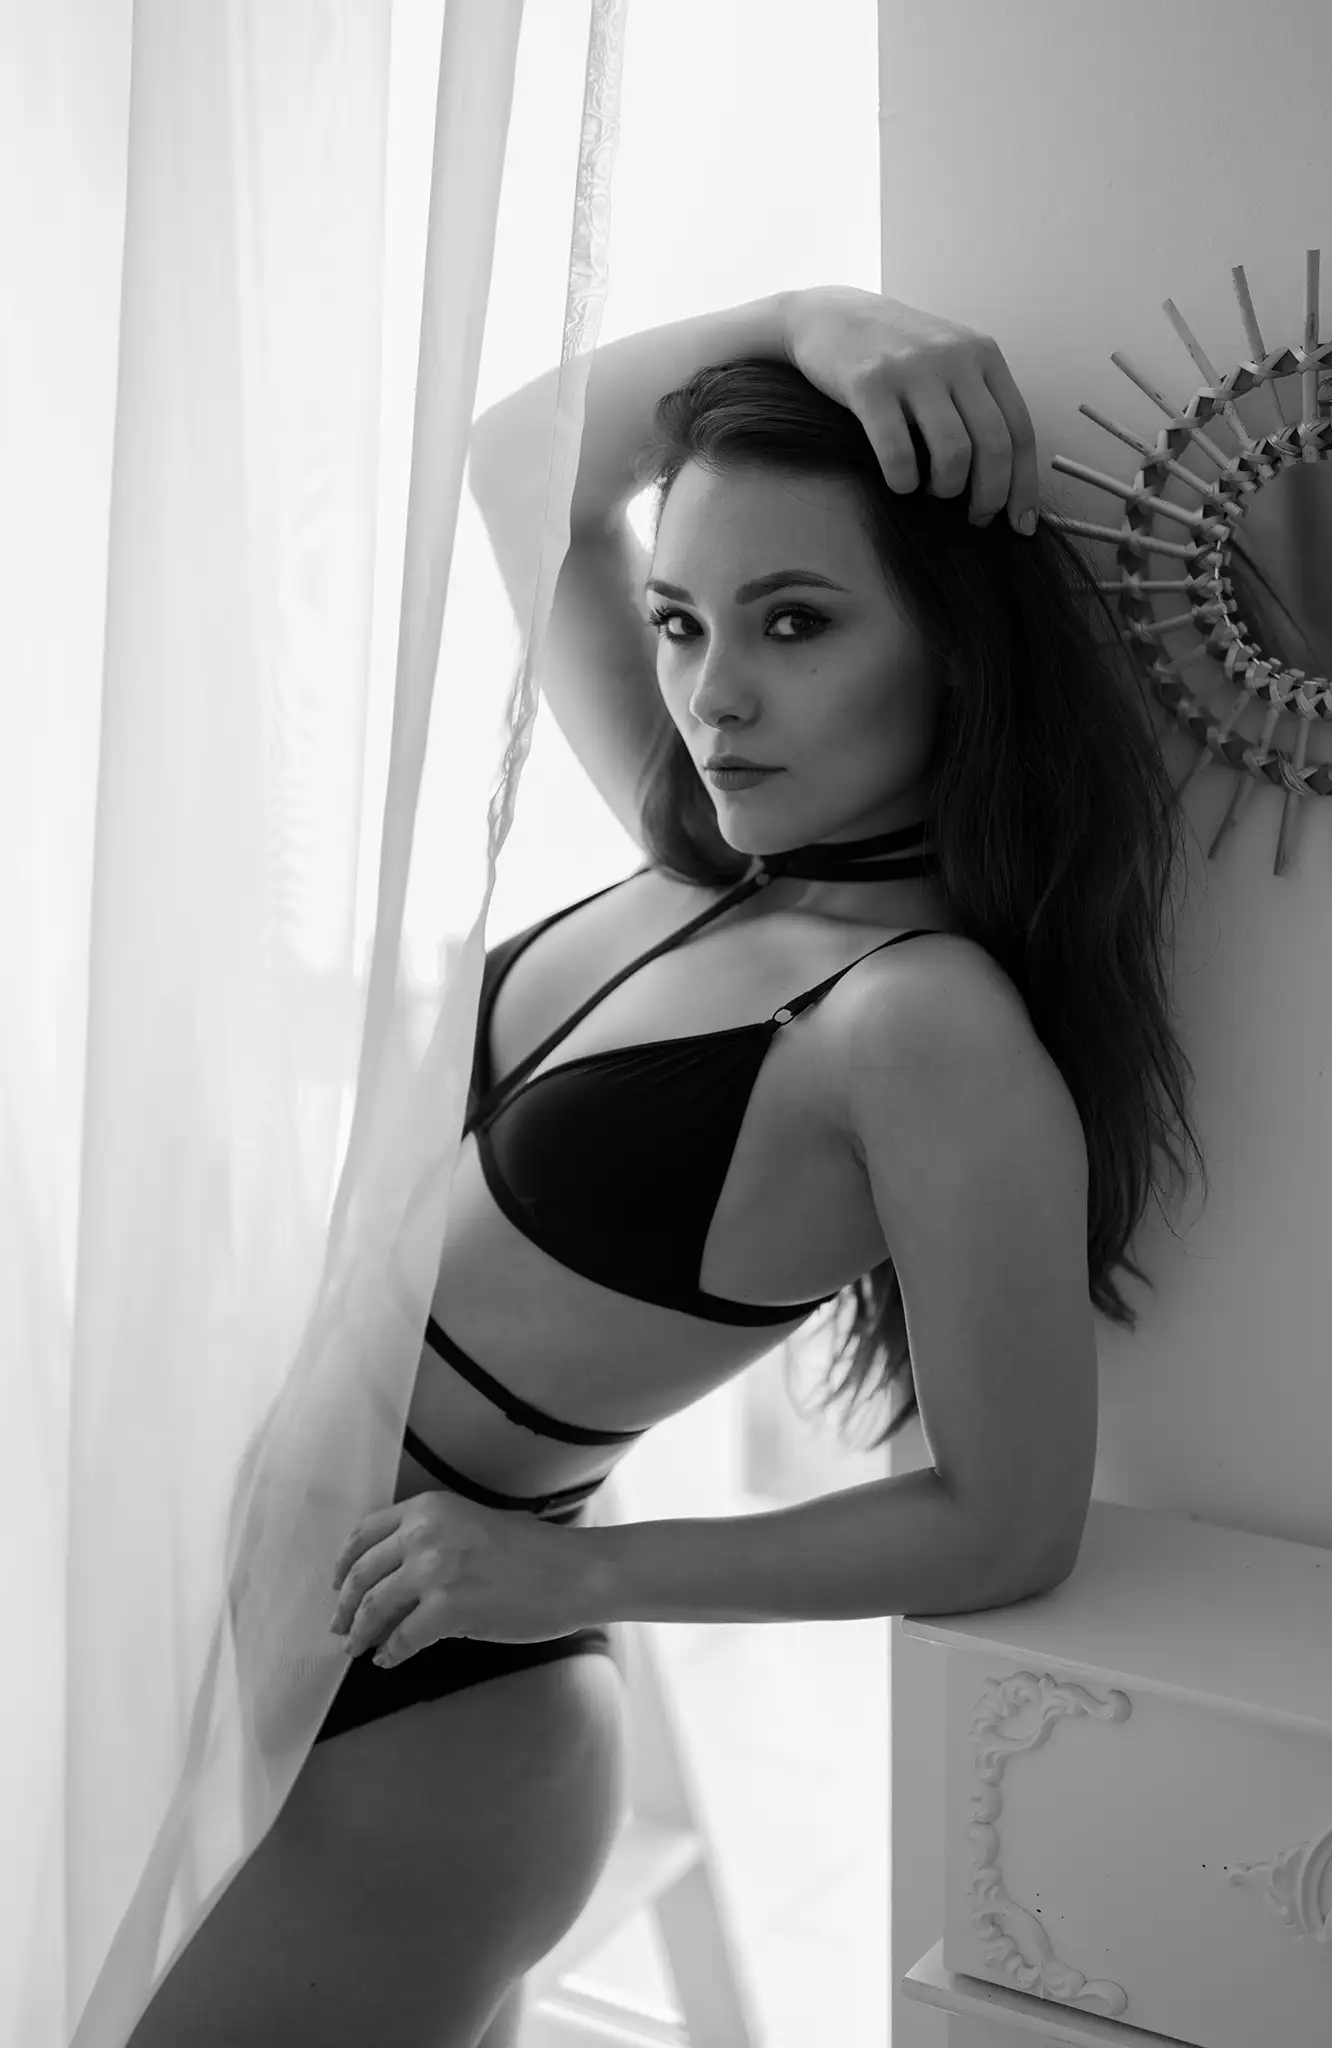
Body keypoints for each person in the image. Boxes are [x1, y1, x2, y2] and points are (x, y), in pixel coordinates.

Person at [124, 286, 1204, 2048]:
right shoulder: (701, 848)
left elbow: (1008, 1523)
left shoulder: (913, 1024)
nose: (714, 695)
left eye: (795, 622)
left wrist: (569, 1576)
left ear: (955, 649)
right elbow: (519, 470)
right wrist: (801, 322)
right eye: (682, 623)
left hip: (422, 1732)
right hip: (248, 1662)